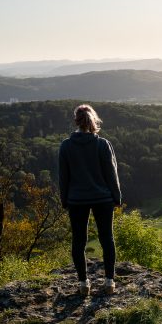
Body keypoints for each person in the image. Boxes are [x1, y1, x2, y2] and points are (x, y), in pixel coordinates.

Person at [58, 104, 121, 296]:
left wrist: (64, 200)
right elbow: (111, 174)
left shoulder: (66, 146)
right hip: (103, 198)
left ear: (76, 121)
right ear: (94, 120)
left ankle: (83, 284)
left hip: (77, 200)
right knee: (106, 238)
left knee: (78, 241)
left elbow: (63, 177)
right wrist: (117, 197)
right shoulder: (103, 144)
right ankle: (109, 282)